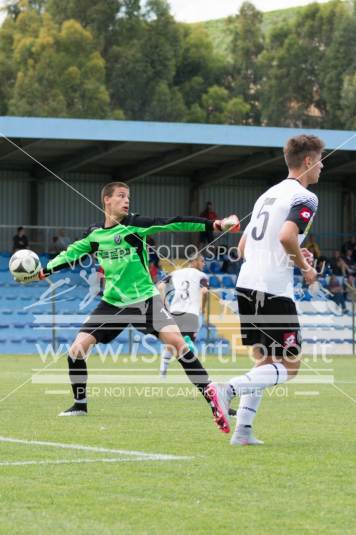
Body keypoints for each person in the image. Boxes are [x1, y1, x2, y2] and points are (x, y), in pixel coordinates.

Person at [20, 181, 239, 433]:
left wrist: (215, 224)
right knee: (76, 350)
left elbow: (173, 222)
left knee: (180, 344)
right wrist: (43, 271)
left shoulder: (135, 225)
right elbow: (70, 253)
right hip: (112, 303)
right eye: (121, 196)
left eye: (128, 197)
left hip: (145, 299)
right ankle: (80, 404)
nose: (126, 200)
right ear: (107, 200)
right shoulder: (95, 235)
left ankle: (215, 402)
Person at [209, 134, 325, 446]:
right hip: (273, 288)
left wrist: (294, 255)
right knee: (290, 367)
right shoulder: (306, 197)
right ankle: (227, 389)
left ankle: (243, 431)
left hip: (247, 284)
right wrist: (305, 267)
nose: (322, 166)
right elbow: (287, 236)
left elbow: (245, 246)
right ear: (307, 161)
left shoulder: (268, 194)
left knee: (265, 362)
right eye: (320, 159)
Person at [157, 254, 209, 378]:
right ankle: (197, 377)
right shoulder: (202, 276)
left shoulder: (176, 273)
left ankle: (162, 373)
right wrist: (202, 307)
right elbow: (204, 291)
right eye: (202, 261)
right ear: (194, 261)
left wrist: (165, 303)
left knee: (171, 344)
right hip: (191, 314)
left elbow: (160, 286)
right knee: (187, 347)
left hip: (175, 312)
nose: (204, 263)